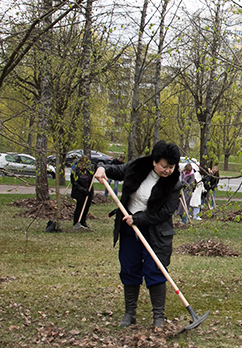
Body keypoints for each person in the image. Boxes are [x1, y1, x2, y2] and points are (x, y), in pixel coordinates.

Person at [94, 140, 182, 329]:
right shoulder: (138, 167)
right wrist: (102, 168)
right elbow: (116, 171)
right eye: (164, 166)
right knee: (129, 268)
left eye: (172, 167)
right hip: (129, 229)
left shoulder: (174, 184)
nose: (168, 171)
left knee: (155, 270)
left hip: (156, 233)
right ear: (154, 162)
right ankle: (129, 314)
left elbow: (164, 213)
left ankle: (158, 316)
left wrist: (139, 219)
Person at [70, 156, 94, 230]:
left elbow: (90, 180)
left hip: (88, 193)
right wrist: (83, 190)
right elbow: (75, 183)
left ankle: (83, 221)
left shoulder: (88, 171)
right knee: (79, 207)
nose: (84, 166)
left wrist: (89, 191)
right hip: (79, 193)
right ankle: (76, 222)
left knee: (86, 207)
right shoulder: (75, 171)